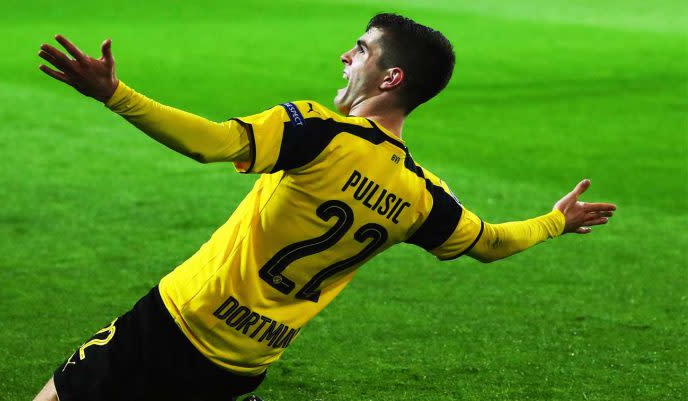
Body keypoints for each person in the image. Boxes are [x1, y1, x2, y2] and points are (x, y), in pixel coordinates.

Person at [33, 13, 616, 401]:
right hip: (244, 364)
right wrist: (555, 222)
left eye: (360, 48)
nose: (345, 55)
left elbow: (210, 143)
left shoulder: (320, 131)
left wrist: (114, 94)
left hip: (176, 322)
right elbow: (489, 243)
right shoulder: (421, 195)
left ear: (390, 76)